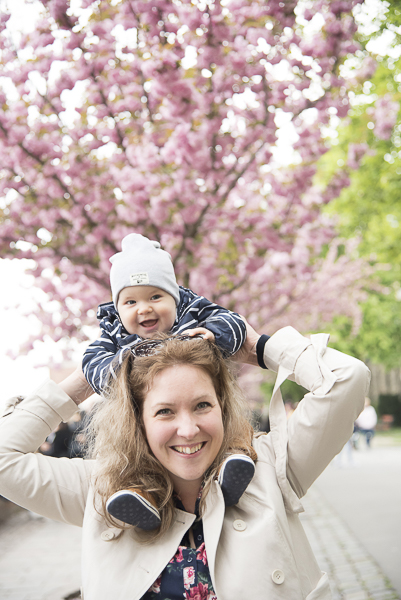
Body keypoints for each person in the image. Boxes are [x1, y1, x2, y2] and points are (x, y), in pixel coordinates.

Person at [0, 322, 370, 599]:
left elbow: (349, 379)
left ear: (222, 406)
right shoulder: (101, 489)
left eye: (202, 405)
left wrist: (251, 344)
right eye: (164, 412)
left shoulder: (271, 466)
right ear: (138, 421)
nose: (189, 429)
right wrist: (89, 374)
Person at [82, 233, 254, 530]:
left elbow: (234, 322)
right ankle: (138, 496)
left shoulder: (192, 312)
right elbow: (91, 363)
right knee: (128, 461)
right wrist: (122, 366)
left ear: (175, 296)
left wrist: (217, 335)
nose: (144, 308)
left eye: (155, 297)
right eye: (130, 302)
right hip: (137, 435)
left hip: (219, 418)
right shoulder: (114, 334)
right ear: (117, 307)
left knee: (233, 432)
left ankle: (232, 469)